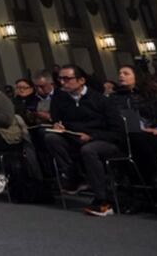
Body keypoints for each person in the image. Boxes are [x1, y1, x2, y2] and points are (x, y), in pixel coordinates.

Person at [44, 64, 125, 217]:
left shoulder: (100, 100)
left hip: (102, 139)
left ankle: (102, 200)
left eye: (67, 79)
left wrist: (92, 136)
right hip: (73, 136)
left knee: (89, 150)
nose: (62, 82)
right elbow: (56, 118)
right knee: (51, 137)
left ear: (81, 80)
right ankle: (74, 176)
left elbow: (117, 130)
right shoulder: (59, 98)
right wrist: (57, 125)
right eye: (60, 79)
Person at [110, 64, 157, 183]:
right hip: (128, 136)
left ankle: (151, 178)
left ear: (136, 76)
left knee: (137, 140)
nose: (121, 76)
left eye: (126, 73)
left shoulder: (152, 93)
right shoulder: (115, 97)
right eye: (120, 73)